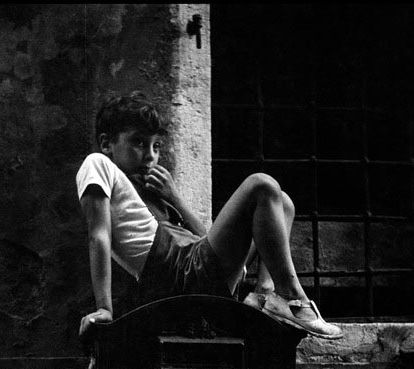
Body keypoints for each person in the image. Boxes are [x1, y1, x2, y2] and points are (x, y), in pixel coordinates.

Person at [77, 92, 342, 340]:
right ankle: (293, 299)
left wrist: (175, 198)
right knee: (261, 185)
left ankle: (264, 296)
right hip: (179, 277)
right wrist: (104, 309)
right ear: (106, 144)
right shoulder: (98, 165)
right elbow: (98, 235)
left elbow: (205, 239)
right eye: (138, 142)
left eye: (156, 146)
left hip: (198, 268)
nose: (150, 156)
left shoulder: (152, 193)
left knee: (283, 203)